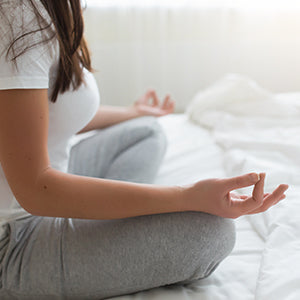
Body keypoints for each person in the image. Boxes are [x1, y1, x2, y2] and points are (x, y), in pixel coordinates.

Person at [0, 1, 288, 299]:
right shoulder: (18, 15)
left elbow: (39, 119)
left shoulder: (56, 8)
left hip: (48, 180)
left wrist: (132, 112)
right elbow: (35, 190)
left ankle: (98, 217)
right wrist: (185, 195)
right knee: (212, 233)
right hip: (13, 240)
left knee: (145, 132)